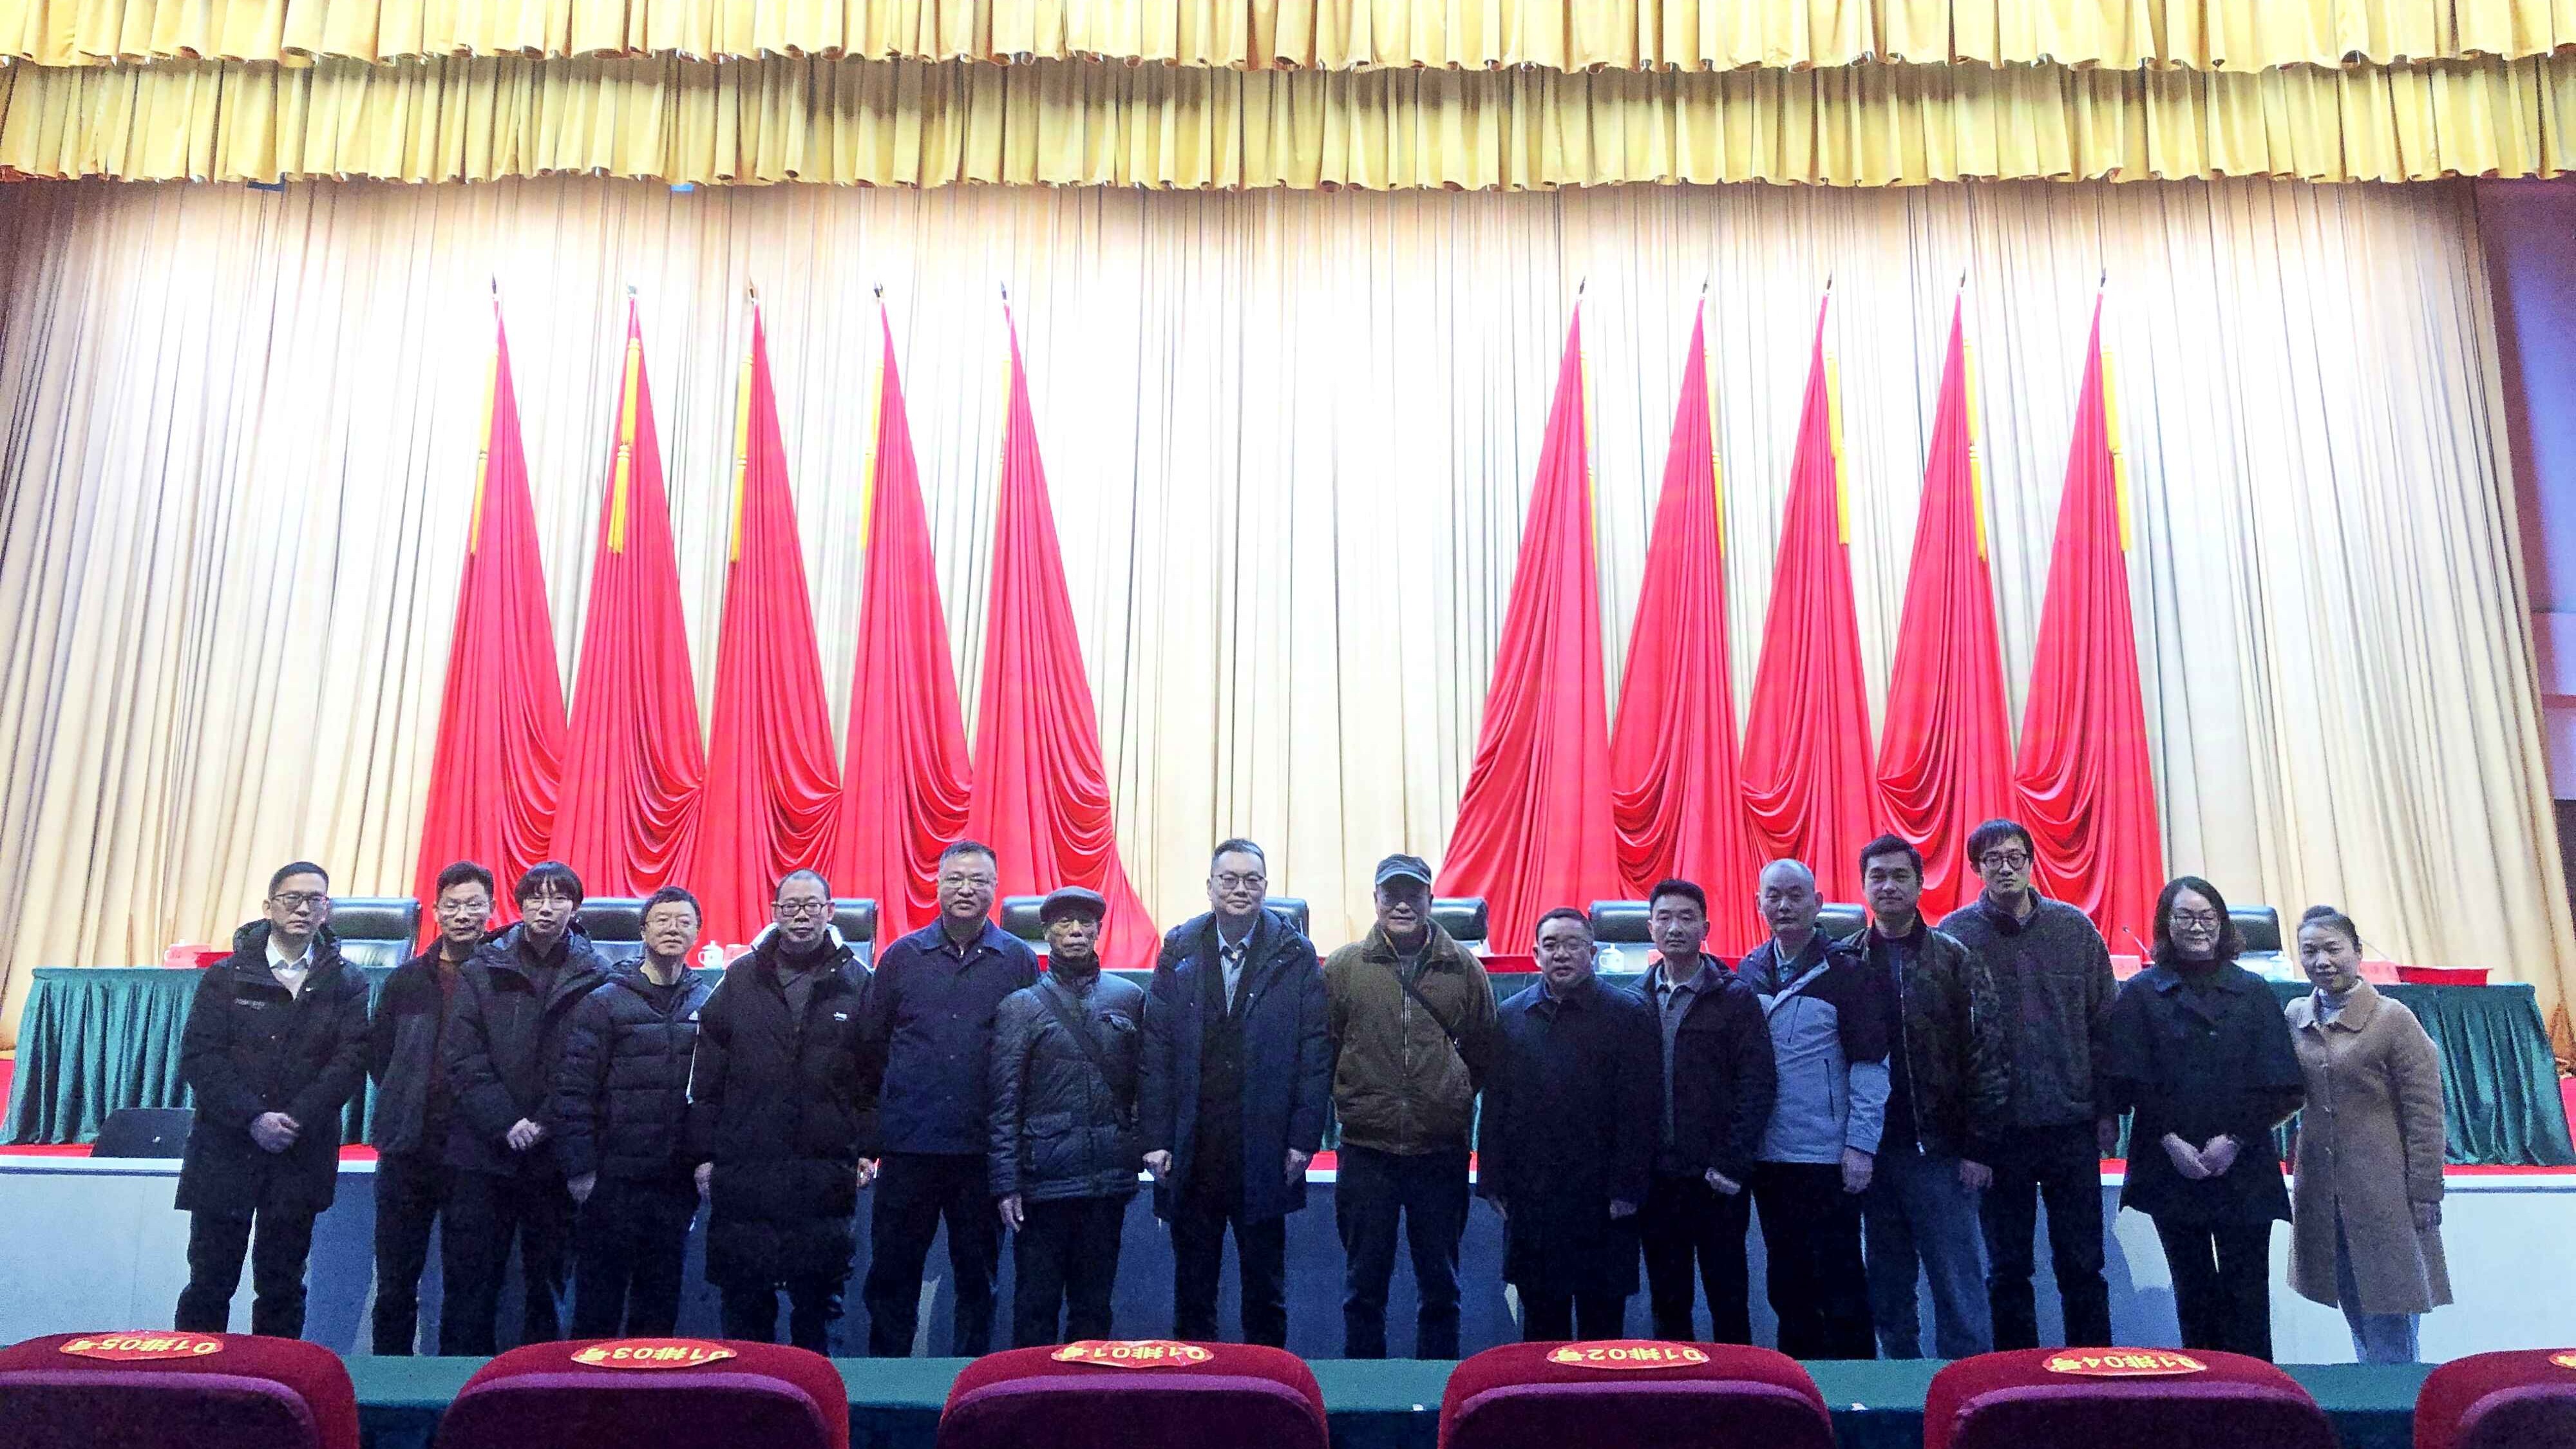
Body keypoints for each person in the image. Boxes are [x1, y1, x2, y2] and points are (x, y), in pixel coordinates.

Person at [1140, 839, 1331, 1347]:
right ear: (1210, 887)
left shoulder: (1294, 953)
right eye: (1229, 879)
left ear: (1266, 888)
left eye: (1252, 880)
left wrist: (1303, 1139)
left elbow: (1315, 1052)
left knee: (1265, 1290)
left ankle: (1269, 1385)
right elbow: (1156, 1049)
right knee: (1193, 1289)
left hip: (1265, 1148)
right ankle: (1194, 1385)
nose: (1240, 889)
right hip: (1194, 1148)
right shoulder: (1180, 947)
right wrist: (1156, 1138)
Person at [2103, 876, 2304, 1361]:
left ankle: (2256, 1393)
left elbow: (2281, 1083)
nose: (2197, 927)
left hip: (2242, 1164)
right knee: (2192, 1291)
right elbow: (2127, 1081)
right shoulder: (2141, 993)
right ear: (2165, 925)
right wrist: (2171, 1141)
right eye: (2185, 917)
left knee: (2247, 1293)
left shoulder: (2253, 991)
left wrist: (2233, 1140)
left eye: (2207, 917)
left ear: (2222, 924)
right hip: (2170, 1164)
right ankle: (2202, 1392)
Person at [1937, 818, 2119, 1350]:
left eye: (2015, 857)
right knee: (2007, 1269)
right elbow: (1946, 1043)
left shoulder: (2074, 930)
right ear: (1976, 868)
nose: (2006, 868)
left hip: (2071, 1124)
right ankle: (2015, 1377)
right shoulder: (1954, 935)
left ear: (2031, 862)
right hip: (1999, 1134)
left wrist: (2107, 1111)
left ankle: (2094, 1372)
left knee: (2083, 1264)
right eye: (1993, 859)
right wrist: (1969, 1136)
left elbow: (2106, 1027)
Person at [173, 862, 372, 1338]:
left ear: (327, 910)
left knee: (282, 1285)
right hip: (226, 1149)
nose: (303, 908)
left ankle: (277, 1377)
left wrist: (294, 1119)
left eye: (315, 900)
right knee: (209, 1282)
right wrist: (253, 1117)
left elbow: (350, 1061)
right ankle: (194, 1375)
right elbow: (201, 1057)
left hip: (300, 1151)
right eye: (291, 898)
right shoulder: (226, 977)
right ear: (269, 907)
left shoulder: (347, 981)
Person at [860, 840, 1039, 1357]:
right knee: (892, 1276)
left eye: (978, 880)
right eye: (955, 879)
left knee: (979, 1281)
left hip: (981, 1151)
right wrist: (871, 1140)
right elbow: (872, 1049)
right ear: (936, 885)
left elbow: (1031, 1054)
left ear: (995, 888)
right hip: (908, 1146)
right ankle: (886, 1381)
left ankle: (971, 1383)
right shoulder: (902, 957)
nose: (966, 889)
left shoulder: (1018, 960)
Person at [1323, 853, 1499, 1359]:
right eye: (1391, 894)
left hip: (1439, 1153)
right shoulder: (1345, 967)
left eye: (1413, 894)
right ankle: (1364, 1391)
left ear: (1430, 900)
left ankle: (1439, 1392)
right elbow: (1326, 1048)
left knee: (1441, 1289)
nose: (1402, 904)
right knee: (1363, 1289)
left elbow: (1484, 1051)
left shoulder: (1463, 968)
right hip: (1367, 1151)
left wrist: (1449, 1094)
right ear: (1375, 900)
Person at [689, 868, 873, 1350]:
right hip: (747, 1167)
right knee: (746, 1311)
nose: (801, 916)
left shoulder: (858, 982)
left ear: (830, 912)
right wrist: (704, 1154)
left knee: (819, 1312)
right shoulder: (739, 979)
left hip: (825, 1172)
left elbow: (875, 1076)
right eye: (791, 906)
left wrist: (867, 1147)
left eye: (812, 906)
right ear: (774, 913)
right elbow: (706, 1077)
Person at [1842, 834, 2009, 1359]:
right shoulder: (1845, 960)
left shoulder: (1955, 958)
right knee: (1888, 1292)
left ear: (1919, 884)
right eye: (1878, 876)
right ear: (1864, 886)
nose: (1888, 886)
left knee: (1959, 1289)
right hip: (1870, 1156)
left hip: (1941, 1154)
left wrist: (1980, 1147)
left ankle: (1966, 1391)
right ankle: (1901, 1392)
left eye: (1900, 876)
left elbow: (1988, 1054)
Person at [439, 860, 611, 1354]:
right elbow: (462, 1056)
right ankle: (459, 1387)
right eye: (536, 897)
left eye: (559, 898)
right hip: (482, 1152)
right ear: (519, 905)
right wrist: (506, 1121)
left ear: (576, 907)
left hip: (555, 1156)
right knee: (471, 1285)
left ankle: (540, 1385)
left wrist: (544, 1121)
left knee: (548, 1286)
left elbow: (594, 1064)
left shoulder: (598, 976)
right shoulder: (482, 969)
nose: (546, 907)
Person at [1736, 858, 1892, 1360]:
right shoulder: (1748, 972)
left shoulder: (1848, 973)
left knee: (1841, 1280)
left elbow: (1871, 1066)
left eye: (1795, 895)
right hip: (1769, 1156)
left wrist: (1861, 1146)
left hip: (1828, 1157)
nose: (1784, 906)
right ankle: (1797, 1388)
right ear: (1759, 904)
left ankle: (1856, 1393)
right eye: (1774, 896)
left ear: (1818, 903)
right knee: (1787, 1283)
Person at [1480, 908, 1658, 1340]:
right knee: (1542, 1334)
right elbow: (1497, 1104)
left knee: (1603, 1335)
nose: (1561, 954)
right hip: (1535, 1201)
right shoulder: (1512, 1016)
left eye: (1573, 944)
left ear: (1592, 952)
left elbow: (1642, 1110)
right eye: (1552, 945)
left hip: (1605, 1202)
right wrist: (1493, 1179)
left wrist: (1629, 1187)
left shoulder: (1628, 1014)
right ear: (1535, 954)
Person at [2284, 905, 2450, 1363]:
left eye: (2333, 949)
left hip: (2386, 1195)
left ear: (2357, 952)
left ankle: (2400, 1403)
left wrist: (2425, 1192)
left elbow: (2426, 1113)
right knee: (2356, 1312)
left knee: (2392, 1317)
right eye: (2310, 951)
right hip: (2323, 1194)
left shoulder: (2393, 1019)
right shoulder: (2296, 1015)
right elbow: (2281, 1093)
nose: (2322, 961)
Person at [989, 887, 1148, 1347]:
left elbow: (1147, 1085)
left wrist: (1139, 1147)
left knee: (1094, 1308)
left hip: (1107, 1182)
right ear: (1046, 933)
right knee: (1035, 1307)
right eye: (1065, 923)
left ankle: (1087, 1391)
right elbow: (1003, 1101)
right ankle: (1029, 1391)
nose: (1076, 931)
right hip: (1043, 1184)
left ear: (1099, 931)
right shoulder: (1020, 1007)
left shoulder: (1129, 998)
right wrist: (1006, 1182)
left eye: (1085, 923)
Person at [554, 885, 714, 1338]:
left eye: (684, 921)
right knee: (597, 1310)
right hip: (611, 1180)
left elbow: (712, 1093)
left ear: (698, 933)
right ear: (643, 931)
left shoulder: (708, 1003)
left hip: (674, 1182)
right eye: (662, 920)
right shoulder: (603, 1001)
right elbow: (574, 1090)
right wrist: (581, 1170)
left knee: (659, 1309)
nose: (672, 929)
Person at [1633, 878, 1776, 1344]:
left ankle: (1740, 1386)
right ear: (1650, 928)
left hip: (1717, 1180)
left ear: (1706, 928)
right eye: (1665, 918)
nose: (1675, 928)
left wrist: (1731, 1164)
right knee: (1668, 1302)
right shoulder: (1634, 1000)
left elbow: (1757, 1084)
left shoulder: (1735, 998)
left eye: (1686, 918)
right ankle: (1676, 1386)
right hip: (1658, 1181)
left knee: (1728, 1299)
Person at [366, 859, 493, 1354]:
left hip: (475, 1150)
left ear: (491, 910)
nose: (463, 915)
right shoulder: (406, 980)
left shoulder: (501, 978)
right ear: (436, 912)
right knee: (396, 1280)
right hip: (408, 1145)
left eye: (474, 905)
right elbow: (381, 1055)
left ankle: (460, 1385)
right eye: (453, 906)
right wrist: (409, 1095)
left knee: (470, 1282)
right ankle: (389, 1379)